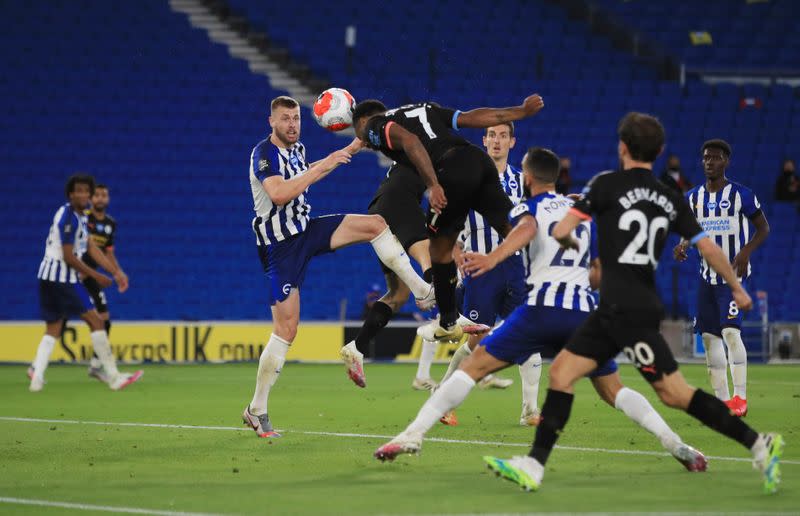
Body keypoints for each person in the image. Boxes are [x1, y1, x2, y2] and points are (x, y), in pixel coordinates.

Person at [483, 113, 782, 494]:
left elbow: (561, 228)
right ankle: (532, 466)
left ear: (622, 147)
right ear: (658, 152)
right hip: (633, 306)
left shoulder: (605, 185)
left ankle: (759, 443)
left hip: (621, 309)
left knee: (672, 393)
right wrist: (737, 287)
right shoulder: (670, 196)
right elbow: (707, 245)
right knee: (564, 374)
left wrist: (570, 238)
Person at [373, 147, 708, 475]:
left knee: (472, 368)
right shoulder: (583, 211)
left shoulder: (527, 208)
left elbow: (527, 229)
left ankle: (413, 434)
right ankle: (675, 442)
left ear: (528, 176)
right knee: (613, 390)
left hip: (542, 310)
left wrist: (492, 258)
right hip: (583, 314)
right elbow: (599, 269)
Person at [242, 96, 434, 437]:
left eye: (296, 119)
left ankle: (422, 290)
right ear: (271, 121)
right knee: (287, 330)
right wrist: (325, 164)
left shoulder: (298, 150)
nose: (292, 125)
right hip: (279, 248)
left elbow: (317, 169)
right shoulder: (263, 154)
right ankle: (256, 408)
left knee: (375, 224)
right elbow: (280, 195)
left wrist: (361, 138)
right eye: (285, 119)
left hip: (307, 231)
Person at [352, 94, 545, 348]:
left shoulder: (376, 125)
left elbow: (410, 141)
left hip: (452, 171)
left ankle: (447, 322)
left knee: (438, 250)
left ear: (364, 121)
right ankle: (554, 254)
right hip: (478, 161)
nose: (362, 140)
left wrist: (433, 185)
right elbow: (472, 117)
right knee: (516, 228)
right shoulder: (426, 108)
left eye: (358, 133)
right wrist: (520, 111)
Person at [435, 122, 536, 426]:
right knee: (475, 341)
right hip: (479, 267)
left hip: (515, 266)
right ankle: (442, 398)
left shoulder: (523, 181)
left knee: (529, 336)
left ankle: (530, 411)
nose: (496, 141)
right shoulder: (465, 179)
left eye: (503, 135)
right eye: (491, 135)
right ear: (484, 140)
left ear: (512, 142)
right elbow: (445, 225)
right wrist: (457, 260)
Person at [674, 140, 770, 416]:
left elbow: (763, 227)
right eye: (706, 158)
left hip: (733, 278)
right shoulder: (693, 198)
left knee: (730, 332)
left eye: (715, 158)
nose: (709, 162)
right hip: (706, 278)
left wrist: (746, 251)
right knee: (709, 338)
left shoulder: (741, 195)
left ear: (726, 162)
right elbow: (690, 229)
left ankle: (740, 398)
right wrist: (683, 245)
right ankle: (722, 401)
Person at [29, 174, 142, 392]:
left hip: (49, 277)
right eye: (77, 191)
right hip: (62, 278)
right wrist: (97, 276)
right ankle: (114, 377)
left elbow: (91, 247)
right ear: (70, 194)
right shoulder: (68, 216)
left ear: (89, 195)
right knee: (96, 322)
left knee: (53, 328)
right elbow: (69, 256)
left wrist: (116, 272)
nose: (81, 194)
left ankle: (37, 378)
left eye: (85, 191)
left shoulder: (80, 218)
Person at [81, 184, 125, 383]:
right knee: (60, 319)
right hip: (75, 274)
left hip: (91, 276)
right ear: (91, 199)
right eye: (97, 195)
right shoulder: (83, 218)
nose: (100, 198)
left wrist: (118, 273)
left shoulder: (110, 224)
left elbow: (108, 253)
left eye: (104, 195)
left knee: (105, 318)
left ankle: (96, 365)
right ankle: (36, 366)